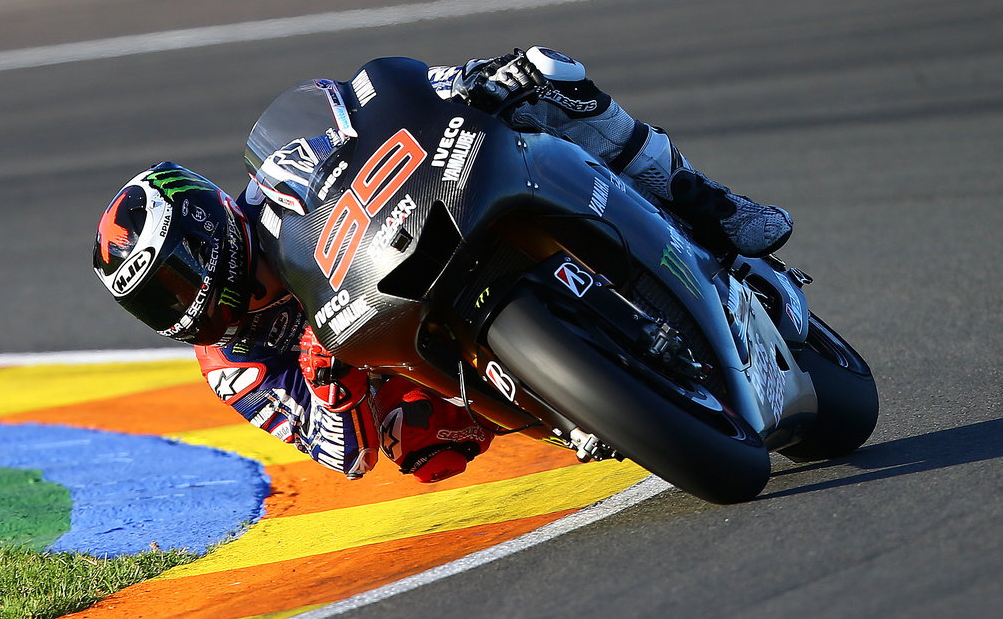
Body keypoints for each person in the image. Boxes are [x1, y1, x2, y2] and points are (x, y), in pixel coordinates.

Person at [91, 47, 792, 483]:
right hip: (406, 356)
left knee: (548, 77)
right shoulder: (231, 365)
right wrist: (324, 374)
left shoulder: (283, 170)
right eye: (158, 302)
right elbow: (345, 458)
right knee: (424, 446)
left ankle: (709, 204)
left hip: (422, 220)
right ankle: (570, 401)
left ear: (210, 223)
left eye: (180, 275)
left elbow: (372, 105)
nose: (189, 303)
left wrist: (465, 84)